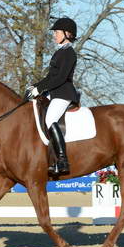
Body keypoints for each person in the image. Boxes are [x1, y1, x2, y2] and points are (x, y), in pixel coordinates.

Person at [26, 17, 80, 175]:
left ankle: (63, 161)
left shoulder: (69, 53)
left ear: (67, 33)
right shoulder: (59, 52)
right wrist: (35, 87)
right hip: (54, 92)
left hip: (63, 94)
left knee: (50, 120)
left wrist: (41, 89)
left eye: (57, 32)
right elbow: (50, 77)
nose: (54, 35)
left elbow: (60, 78)